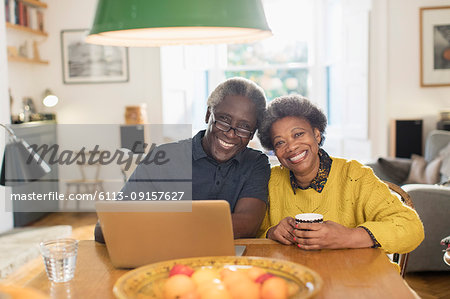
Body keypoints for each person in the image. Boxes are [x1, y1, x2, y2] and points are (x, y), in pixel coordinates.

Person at [95, 77, 270, 242]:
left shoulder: (256, 164)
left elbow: (247, 224)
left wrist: (166, 223)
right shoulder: (162, 158)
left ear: (252, 133)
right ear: (208, 115)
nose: (231, 134)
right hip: (162, 254)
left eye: (244, 127)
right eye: (223, 120)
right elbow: (104, 228)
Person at [257, 95, 424, 254]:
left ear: (316, 134)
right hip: (294, 277)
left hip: (357, 277)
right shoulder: (270, 181)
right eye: (280, 142)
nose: (291, 147)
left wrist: (348, 237)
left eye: (298, 134)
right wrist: (271, 233)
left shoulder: (355, 175)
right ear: (275, 151)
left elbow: (411, 228)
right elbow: (249, 236)